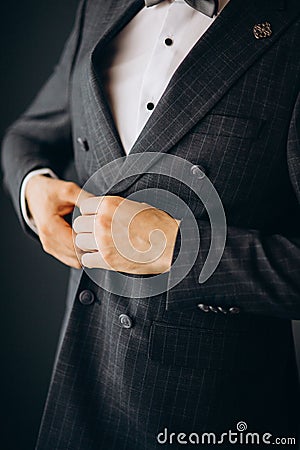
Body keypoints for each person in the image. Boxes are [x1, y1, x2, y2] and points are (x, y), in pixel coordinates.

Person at [2, 0, 300, 448]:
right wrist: (33, 191)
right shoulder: (98, 8)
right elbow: (28, 133)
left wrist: (177, 249)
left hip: (211, 413)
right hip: (77, 387)